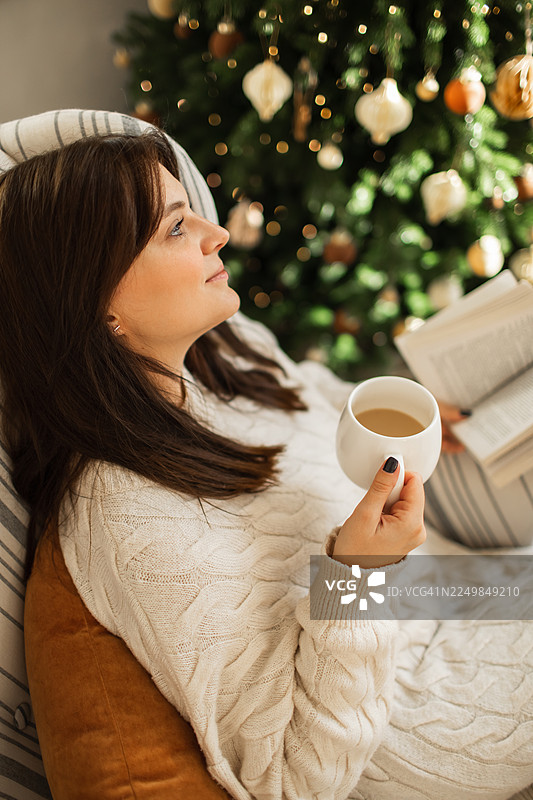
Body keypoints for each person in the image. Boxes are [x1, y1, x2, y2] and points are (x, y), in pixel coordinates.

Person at [0, 131, 531, 800]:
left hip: (441, 594)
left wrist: (406, 408)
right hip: (423, 707)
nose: (216, 233)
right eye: (174, 228)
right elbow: (294, 779)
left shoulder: (222, 353)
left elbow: (301, 394)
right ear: (98, 303)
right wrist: (361, 575)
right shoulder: (129, 519)